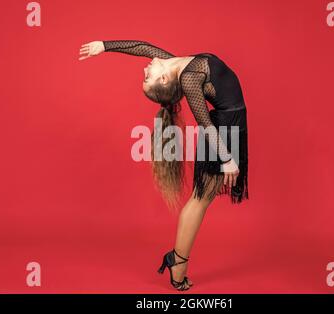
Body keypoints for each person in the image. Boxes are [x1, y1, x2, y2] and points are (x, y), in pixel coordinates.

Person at [79, 40, 249, 291]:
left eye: (145, 77)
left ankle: (176, 261)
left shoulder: (178, 66)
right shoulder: (189, 78)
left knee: (202, 198)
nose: (144, 71)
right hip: (223, 131)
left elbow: (141, 47)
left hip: (228, 125)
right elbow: (205, 124)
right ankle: (177, 264)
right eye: (147, 78)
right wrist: (226, 160)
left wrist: (104, 46)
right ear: (164, 81)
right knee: (200, 199)